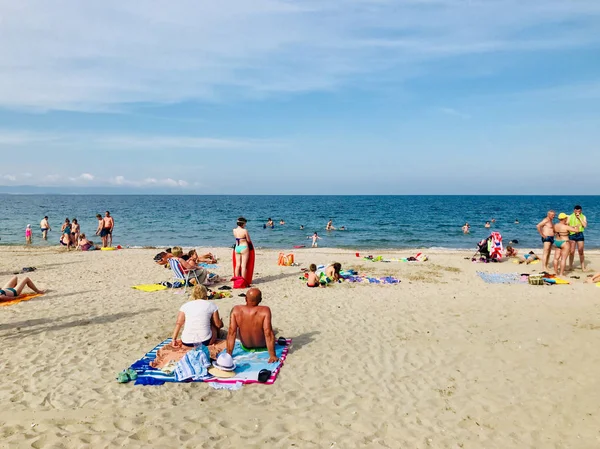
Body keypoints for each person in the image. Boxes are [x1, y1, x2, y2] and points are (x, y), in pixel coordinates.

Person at [227, 288, 278, 363]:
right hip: (262, 346)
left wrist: (228, 355)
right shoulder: (265, 310)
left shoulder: (236, 310)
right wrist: (272, 355)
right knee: (273, 332)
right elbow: (268, 333)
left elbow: (232, 333)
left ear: (245, 298)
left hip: (245, 347)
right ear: (260, 300)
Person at [568, 205, 587, 272]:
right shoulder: (570, 216)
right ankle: (570, 266)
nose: (577, 213)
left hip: (580, 234)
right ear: (574, 211)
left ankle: (583, 267)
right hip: (572, 235)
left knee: (580, 250)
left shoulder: (583, 216)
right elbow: (567, 225)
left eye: (579, 211)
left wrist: (580, 218)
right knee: (572, 251)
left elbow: (585, 225)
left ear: (581, 211)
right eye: (576, 211)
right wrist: (573, 227)